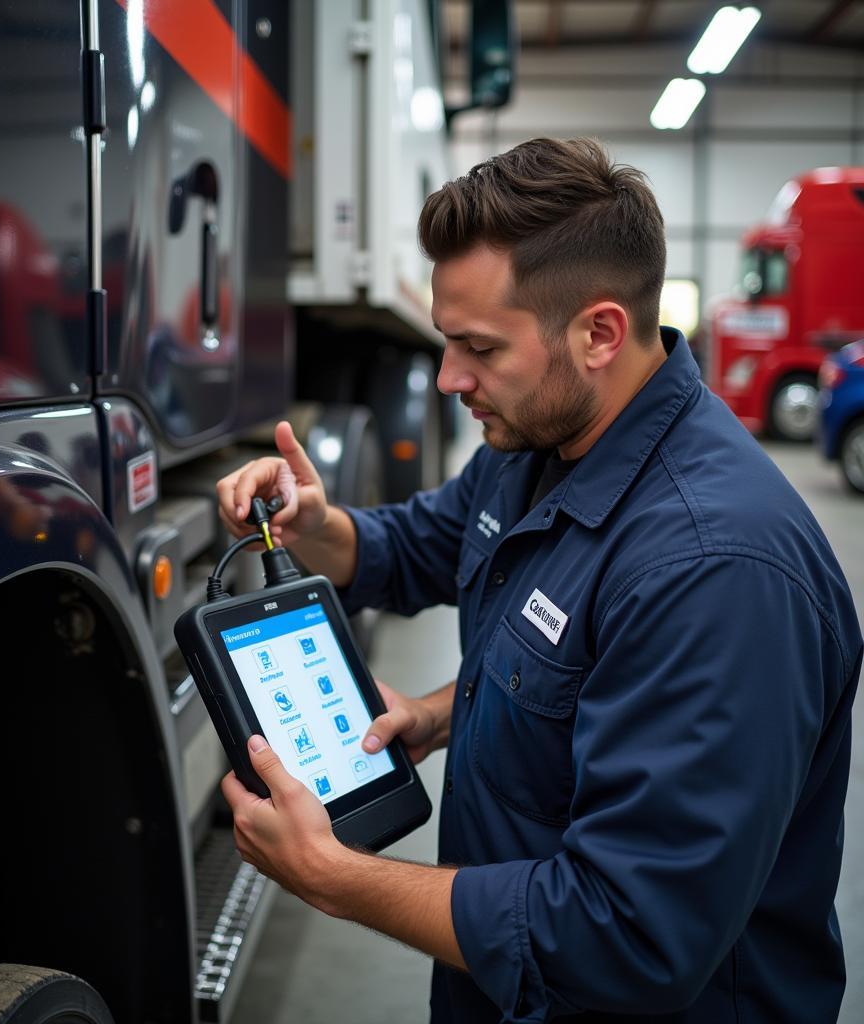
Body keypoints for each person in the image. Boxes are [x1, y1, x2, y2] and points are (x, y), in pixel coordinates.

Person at [214, 138, 862, 1022]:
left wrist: (334, 876)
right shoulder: (540, 444)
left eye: (477, 347)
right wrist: (319, 529)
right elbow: (414, 549)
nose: (449, 380)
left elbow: (628, 935)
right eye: (447, 343)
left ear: (599, 333)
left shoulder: (717, 571)